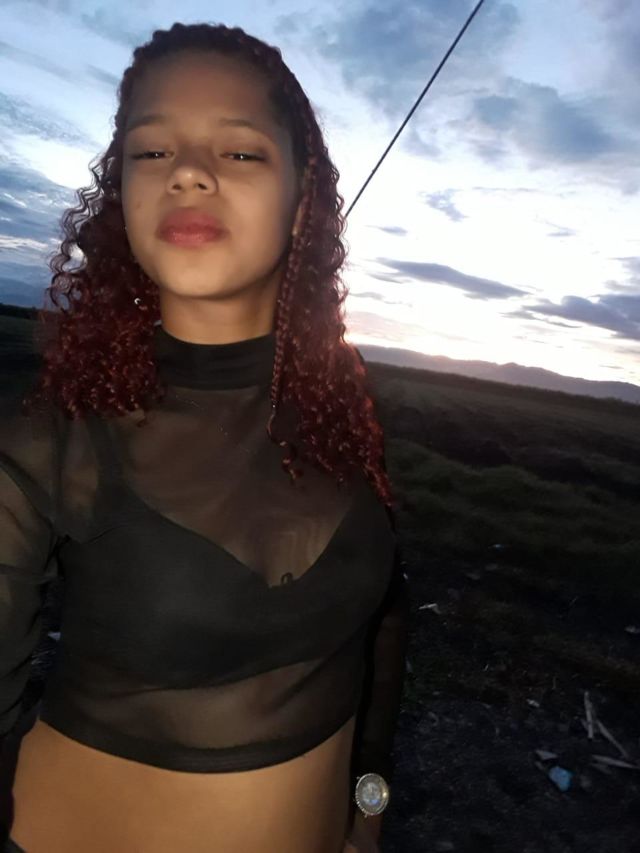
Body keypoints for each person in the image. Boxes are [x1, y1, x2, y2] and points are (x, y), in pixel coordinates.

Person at [0, 21, 410, 853]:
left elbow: (382, 623)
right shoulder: (54, 437)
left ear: (303, 197)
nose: (186, 172)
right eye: (151, 151)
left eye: (240, 151)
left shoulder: (337, 407)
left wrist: (369, 805)